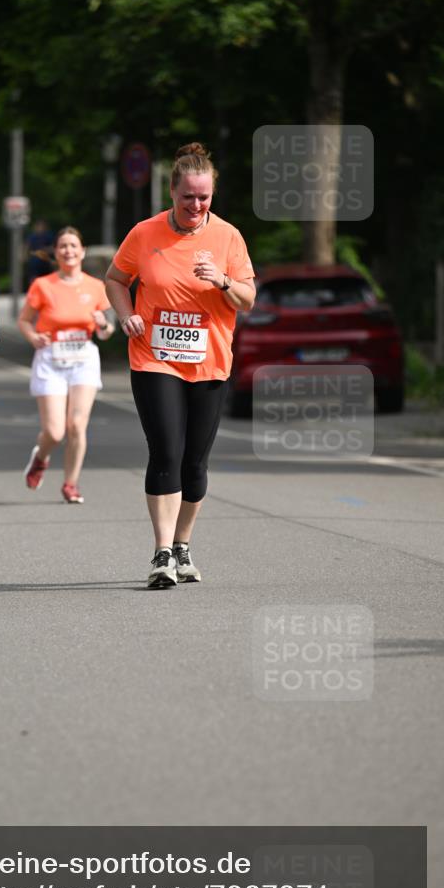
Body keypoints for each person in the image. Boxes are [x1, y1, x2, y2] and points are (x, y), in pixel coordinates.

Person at [105, 143, 255, 588]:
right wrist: (124, 312)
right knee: (166, 451)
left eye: (203, 197)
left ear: (213, 195)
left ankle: (183, 545)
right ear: (172, 192)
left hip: (209, 362)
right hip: (155, 358)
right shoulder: (145, 234)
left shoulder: (228, 237)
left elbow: (248, 299)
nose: (196, 205)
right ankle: (161, 552)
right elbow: (115, 279)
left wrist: (223, 280)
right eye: (187, 196)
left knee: (195, 462)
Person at [17, 226, 114, 504]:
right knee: (55, 431)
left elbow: (106, 332)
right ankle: (41, 457)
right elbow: (25, 320)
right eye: (63, 246)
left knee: (76, 426)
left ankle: (71, 484)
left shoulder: (96, 287)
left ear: (82, 251)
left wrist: (103, 324)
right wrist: (34, 336)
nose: (69, 251)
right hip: (51, 359)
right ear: (55, 253)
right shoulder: (43, 285)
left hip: (83, 358)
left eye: (74, 245)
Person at [25, 219, 55, 286]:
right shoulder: (32, 236)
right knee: (33, 277)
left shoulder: (48, 236)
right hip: (34, 261)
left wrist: (44, 250)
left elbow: (53, 248)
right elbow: (27, 247)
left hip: (45, 261)